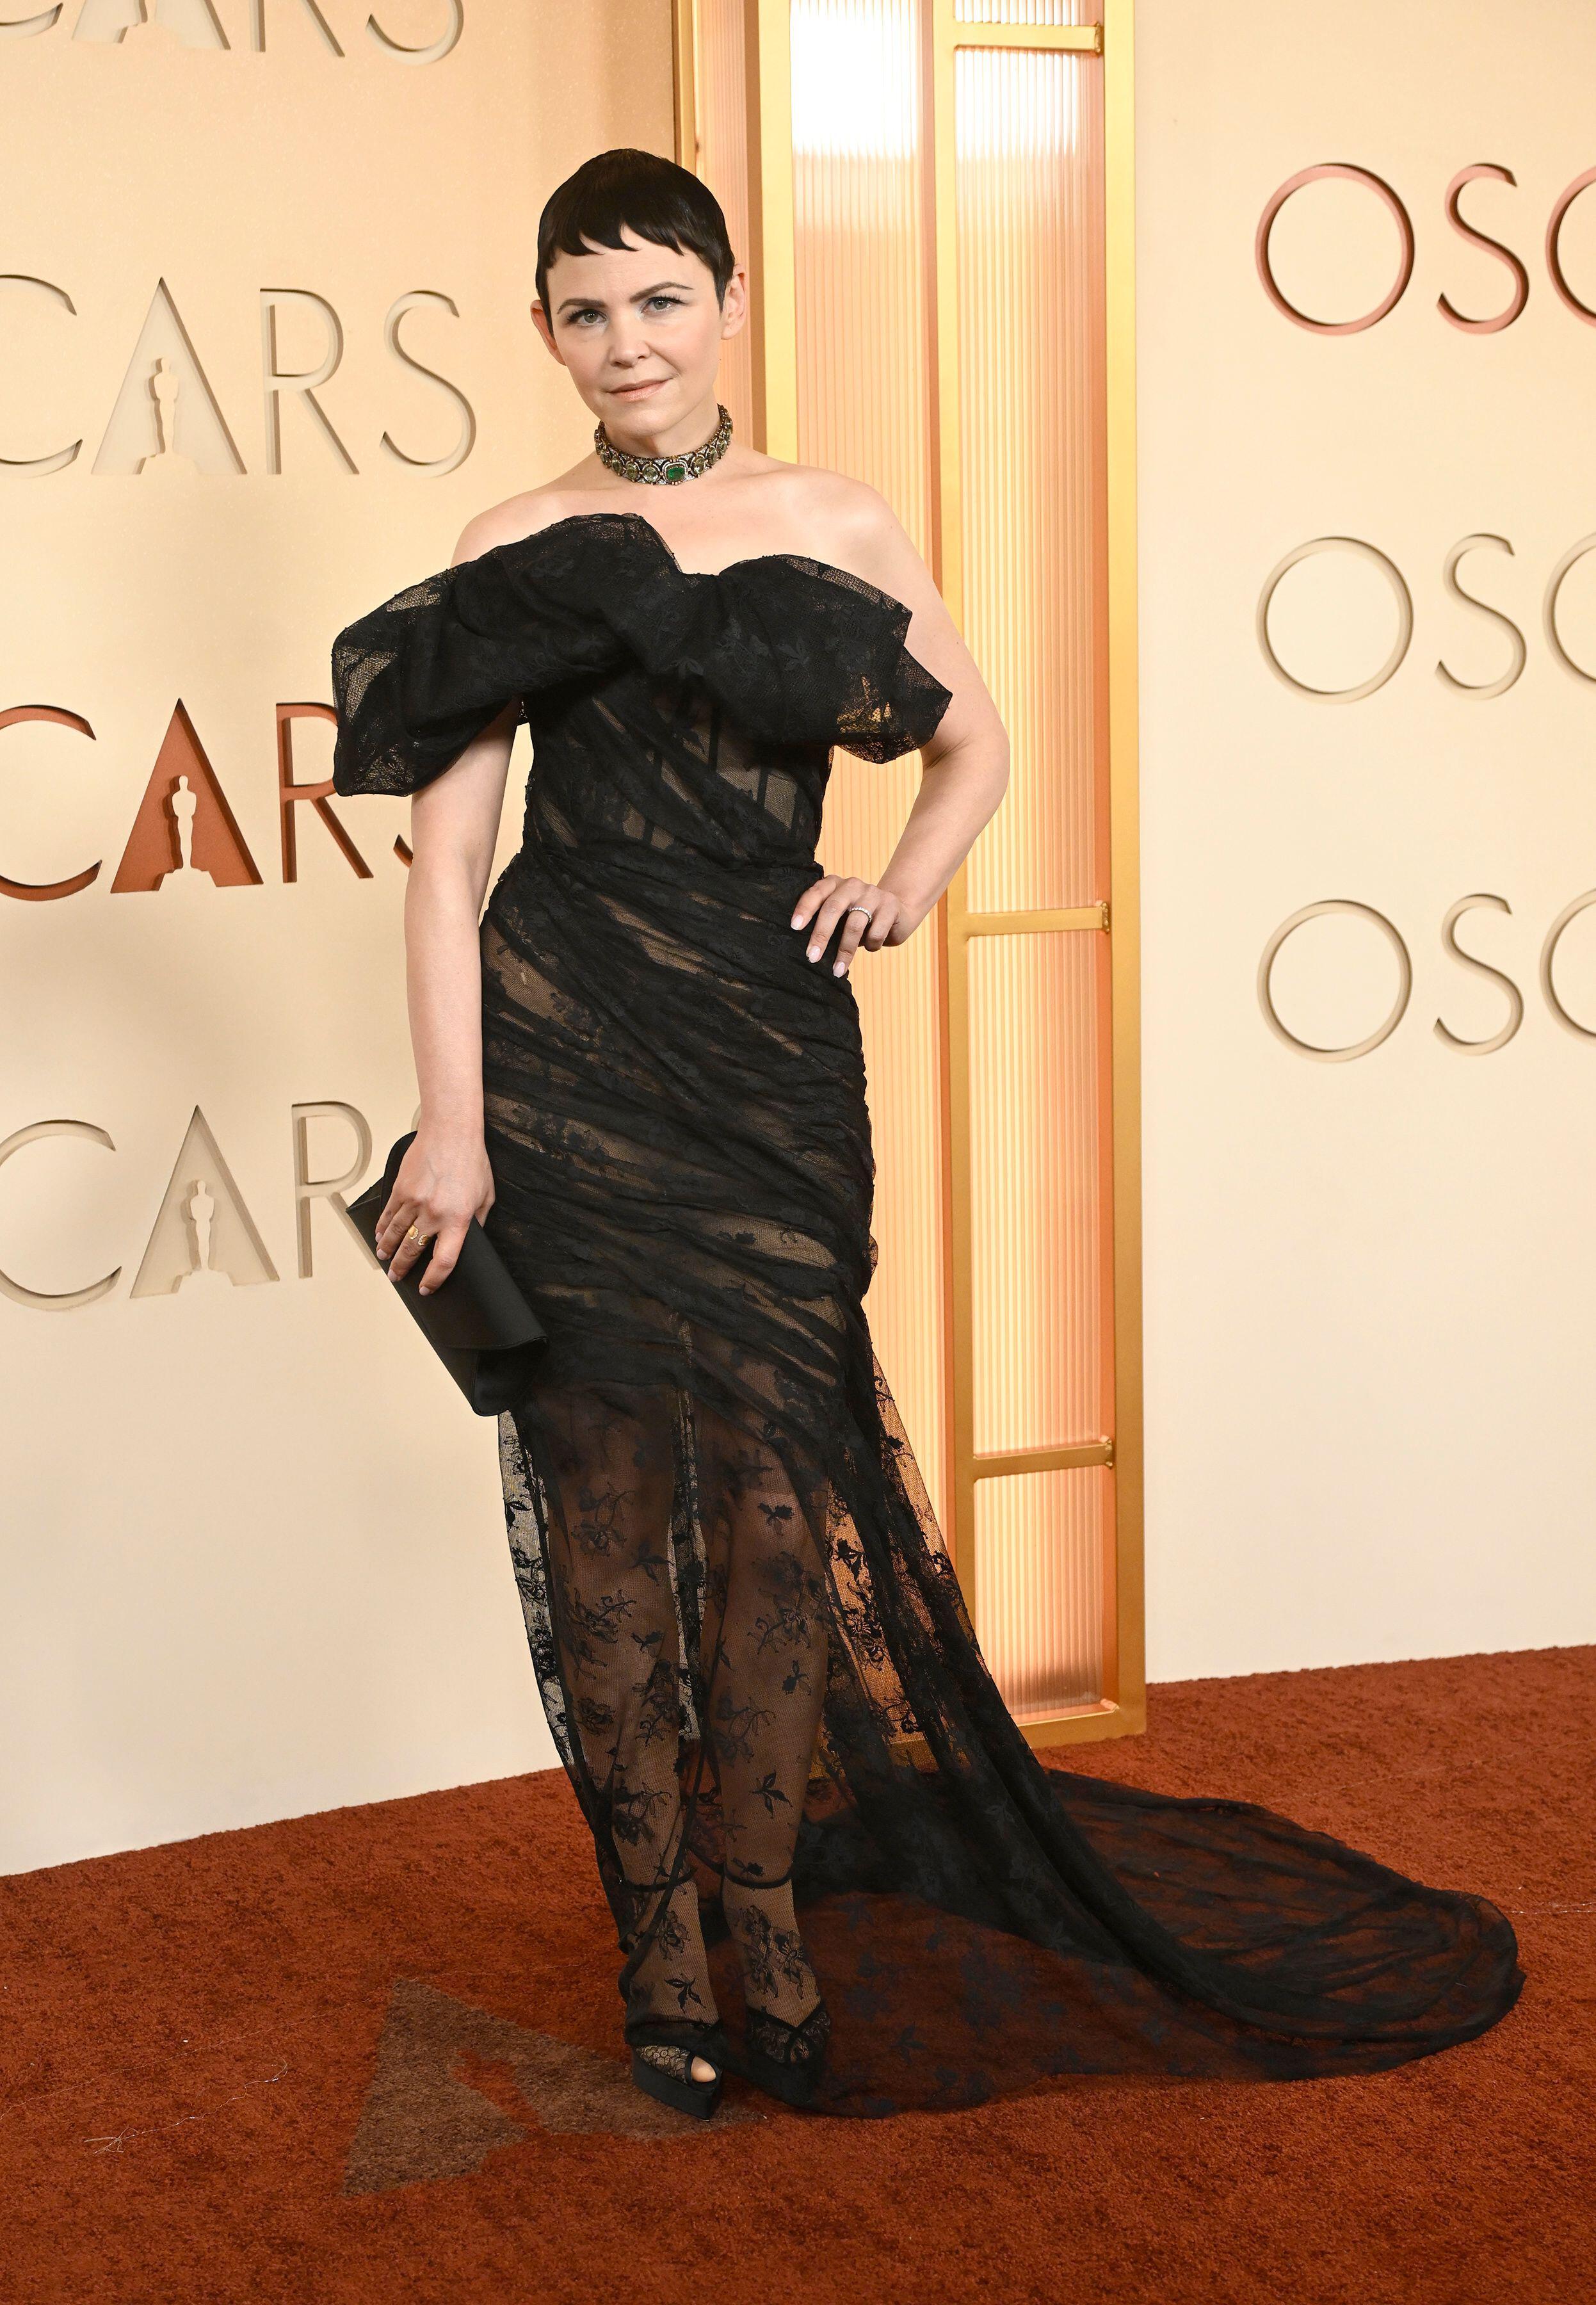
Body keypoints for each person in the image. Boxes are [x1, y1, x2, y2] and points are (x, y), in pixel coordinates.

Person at [328, 147, 1524, 2121]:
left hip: (771, 1074)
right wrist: (453, 1132)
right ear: (545, 329)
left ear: (729, 303)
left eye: (660, 298)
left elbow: (976, 737)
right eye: (585, 310)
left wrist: (904, 882)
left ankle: (768, 1915)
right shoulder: (515, 539)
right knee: (607, 1508)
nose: (627, 342)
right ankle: (662, 1949)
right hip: (566, 1061)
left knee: (775, 1508)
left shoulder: (834, 516)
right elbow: (448, 861)